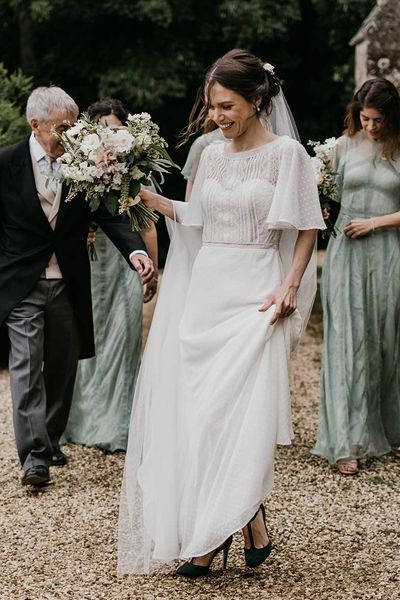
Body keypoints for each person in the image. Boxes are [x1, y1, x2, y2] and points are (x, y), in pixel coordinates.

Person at [118, 49, 325, 576]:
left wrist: (290, 285)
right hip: (206, 294)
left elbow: (306, 225)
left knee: (236, 418)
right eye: (212, 107)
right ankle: (248, 519)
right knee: (200, 418)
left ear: (257, 101)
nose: (217, 118)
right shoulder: (210, 155)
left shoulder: (288, 156)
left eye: (227, 106)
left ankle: (209, 538)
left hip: (256, 293)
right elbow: (199, 218)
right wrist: (144, 196)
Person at [0, 86, 153, 487]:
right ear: (36, 125)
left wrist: (136, 253)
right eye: (62, 128)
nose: (71, 136)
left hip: (68, 281)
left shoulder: (84, 163)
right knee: (26, 367)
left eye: (73, 127)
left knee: (63, 369)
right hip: (22, 285)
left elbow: (112, 216)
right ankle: (34, 457)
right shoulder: (6, 164)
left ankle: (49, 437)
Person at [313, 77, 400, 475]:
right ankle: (346, 440)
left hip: (386, 254)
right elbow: (315, 190)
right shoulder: (342, 147)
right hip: (346, 255)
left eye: (378, 120)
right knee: (347, 341)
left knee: (384, 342)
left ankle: (383, 427)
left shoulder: (398, 148)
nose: (371, 126)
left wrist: (376, 223)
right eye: (365, 118)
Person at [62, 99, 158, 452]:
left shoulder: (136, 175)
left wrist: (152, 270)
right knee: (87, 340)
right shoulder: (77, 172)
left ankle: (118, 423)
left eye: (117, 130)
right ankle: (80, 421)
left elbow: (147, 226)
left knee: (124, 340)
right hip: (89, 266)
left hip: (125, 268)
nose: (111, 138)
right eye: (104, 131)